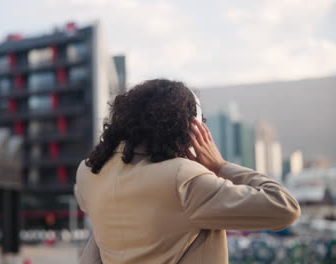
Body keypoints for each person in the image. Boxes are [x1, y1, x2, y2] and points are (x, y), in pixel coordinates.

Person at [74, 79, 300, 264]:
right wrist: (221, 166)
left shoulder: (89, 173)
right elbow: (284, 207)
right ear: (192, 128)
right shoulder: (184, 179)